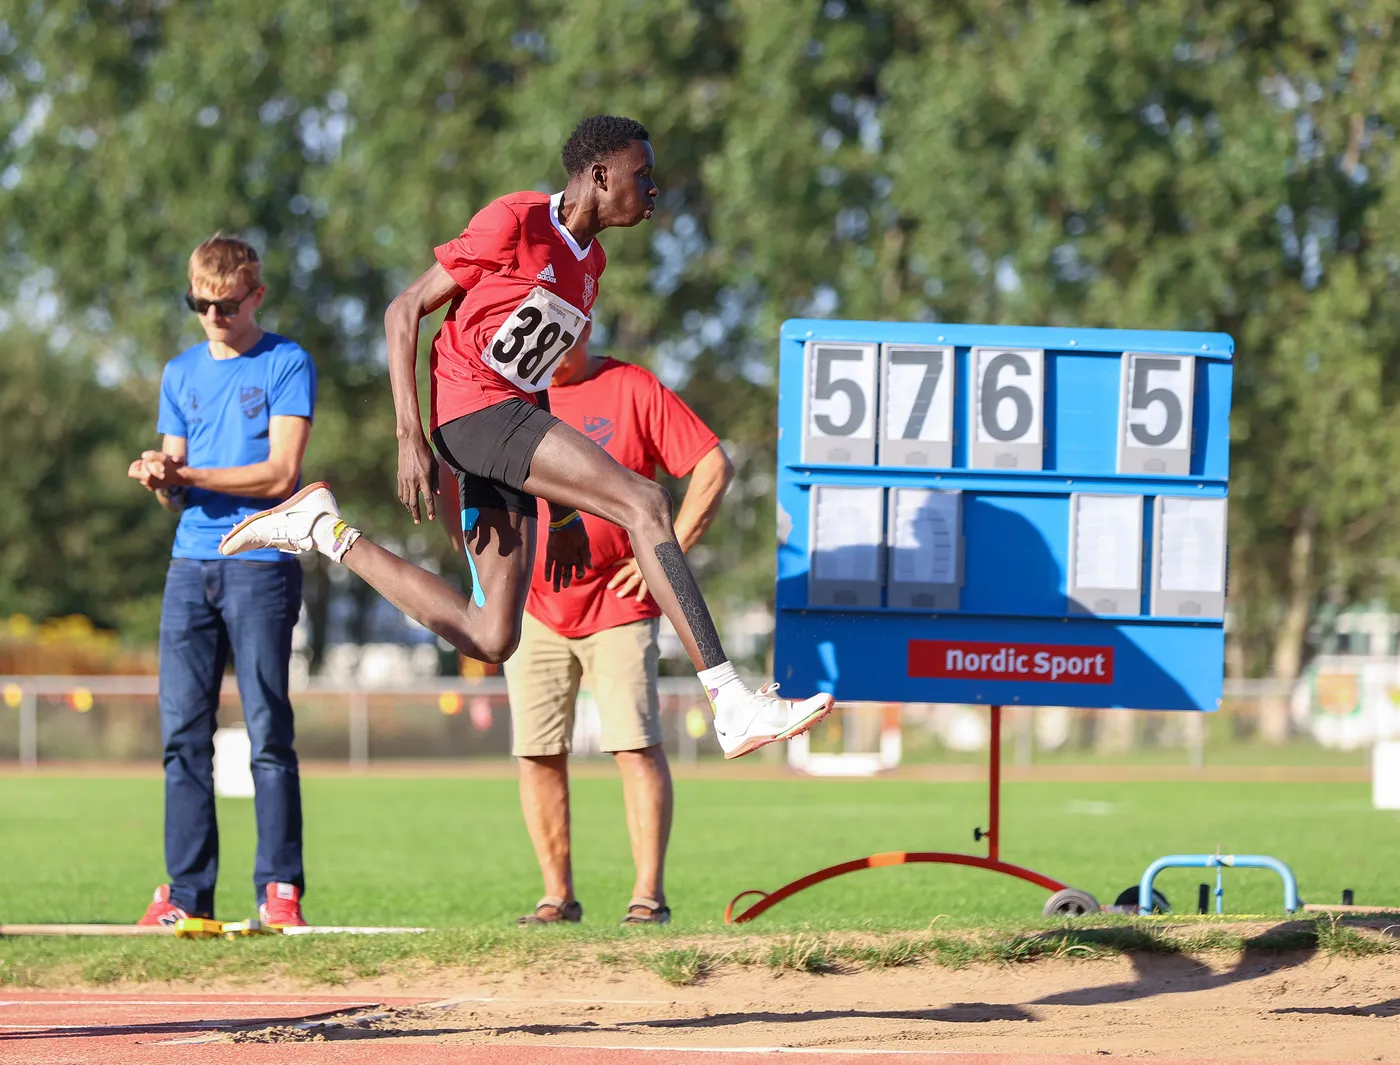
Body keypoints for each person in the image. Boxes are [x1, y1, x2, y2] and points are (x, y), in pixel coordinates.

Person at [218, 114, 832, 763]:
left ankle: (326, 532)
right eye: (641, 174)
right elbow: (404, 311)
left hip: (505, 420)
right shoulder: (516, 220)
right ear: (599, 175)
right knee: (645, 501)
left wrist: (563, 511)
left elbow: (532, 378)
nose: (652, 190)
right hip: (470, 413)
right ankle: (730, 699)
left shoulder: (589, 264)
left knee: (491, 634)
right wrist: (409, 432)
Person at [448, 321, 733, 925]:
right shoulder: (506, 397)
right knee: (538, 751)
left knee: (634, 744)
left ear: (581, 329)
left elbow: (712, 465)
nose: (554, 351)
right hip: (533, 609)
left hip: (618, 607)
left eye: (565, 337)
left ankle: (647, 899)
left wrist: (667, 550)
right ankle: (557, 898)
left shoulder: (631, 386)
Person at [128, 234, 316, 929]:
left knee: (267, 728)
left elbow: (278, 475)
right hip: (190, 565)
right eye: (201, 305)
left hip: (261, 562)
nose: (214, 317)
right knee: (182, 734)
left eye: (227, 305)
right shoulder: (180, 373)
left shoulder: (286, 361)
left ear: (255, 295)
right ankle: (185, 892)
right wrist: (160, 477)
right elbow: (176, 483)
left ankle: (279, 888)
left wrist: (187, 475)